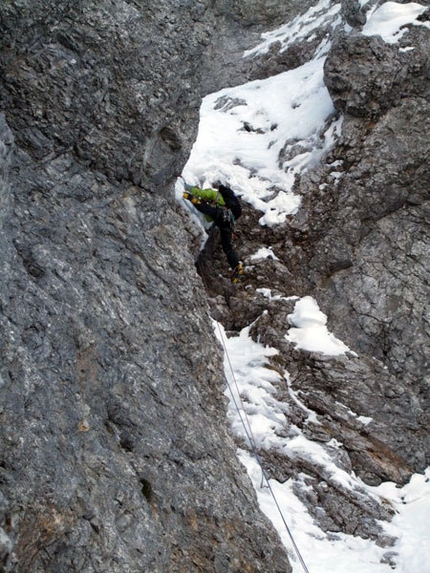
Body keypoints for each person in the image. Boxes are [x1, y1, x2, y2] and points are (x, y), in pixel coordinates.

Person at [182, 179, 244, 283]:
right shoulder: (229, 203)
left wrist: (187, 187)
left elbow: (200, 194)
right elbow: (209, 219)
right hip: (228, 222)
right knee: (227, 247)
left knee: (209, 210)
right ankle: (236, 265)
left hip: (221, 216)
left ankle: (194, 200)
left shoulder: (213, 193)